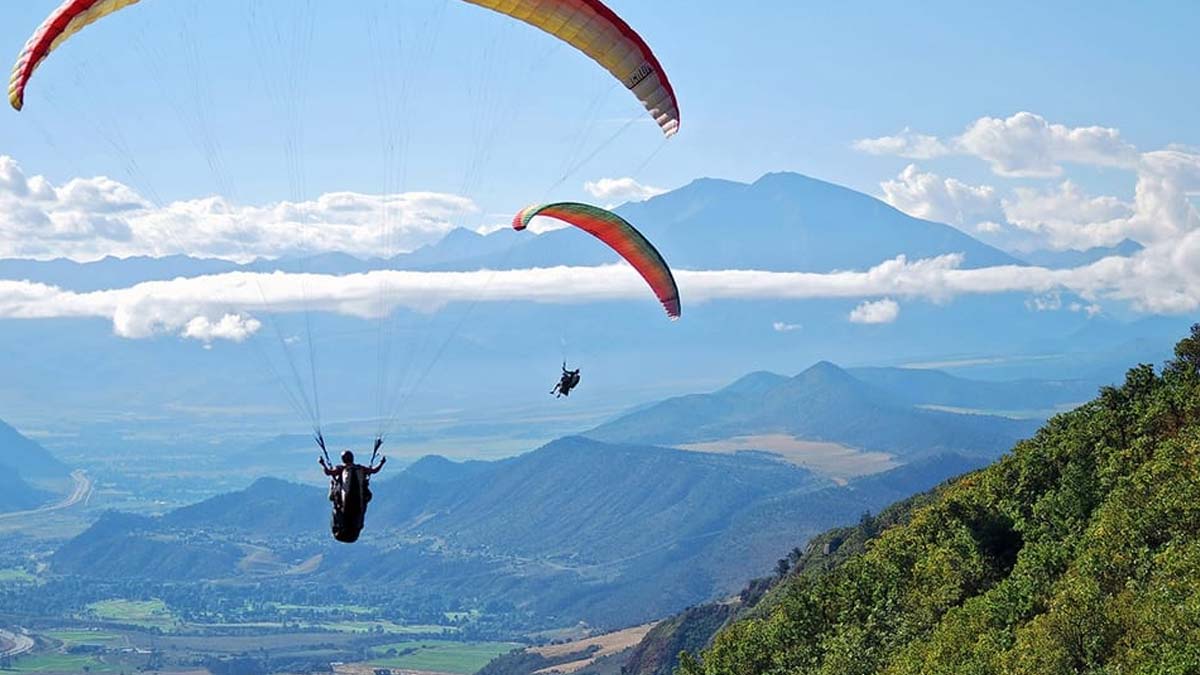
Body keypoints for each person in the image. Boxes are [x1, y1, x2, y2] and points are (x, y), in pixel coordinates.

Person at [320, 449, 386, 510]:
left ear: (343, 459)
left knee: (331, 496)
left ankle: (338, 510)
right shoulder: (360, 468)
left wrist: (323, 464)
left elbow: (328, 472)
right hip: (360, 499)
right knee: (367, 496)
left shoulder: (340, 469)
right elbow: (374, 470)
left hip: (343, 499)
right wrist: (381, 463)